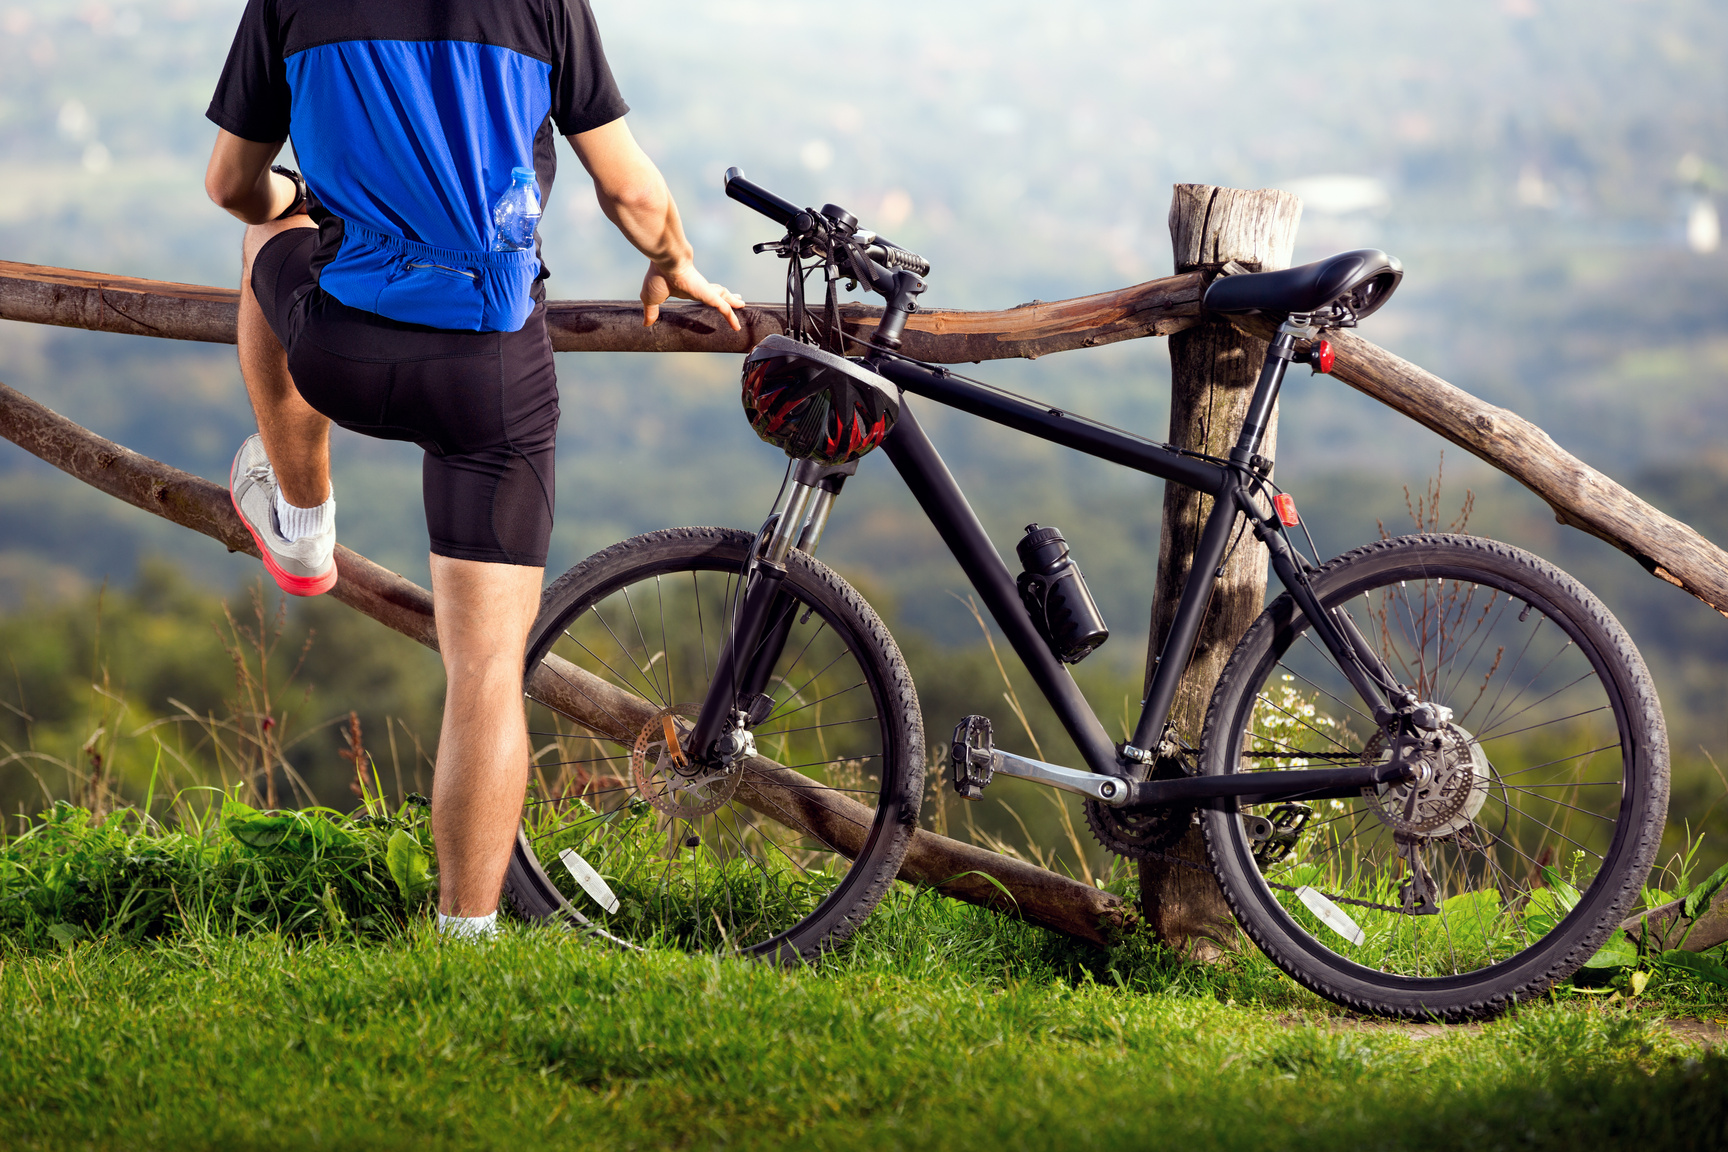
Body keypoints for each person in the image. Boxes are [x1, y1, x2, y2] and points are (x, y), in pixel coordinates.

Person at [202, 0, 743, 939]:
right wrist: (675, 260)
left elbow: (230, 185)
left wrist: (290, 205)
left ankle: (300, 518)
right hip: (489, 375)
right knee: (487, 669)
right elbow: (630, 193)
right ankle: (466, 933)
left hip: (344, 356)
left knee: (263, 245)